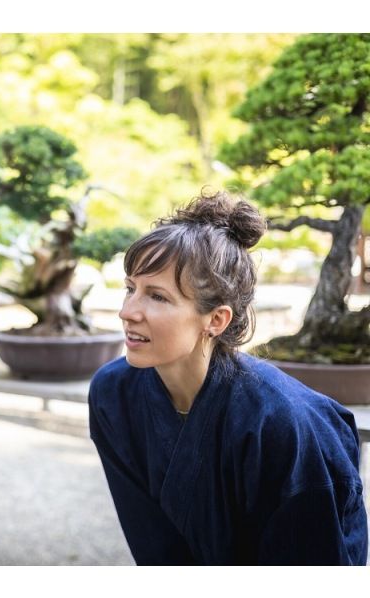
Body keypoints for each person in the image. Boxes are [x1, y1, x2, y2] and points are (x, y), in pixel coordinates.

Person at [88, 190, 368, 565]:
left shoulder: (283, 424)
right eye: (130, 289)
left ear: (215, 320)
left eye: (157, 296)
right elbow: (153, 547)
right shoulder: (113, 395)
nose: (128, 311)